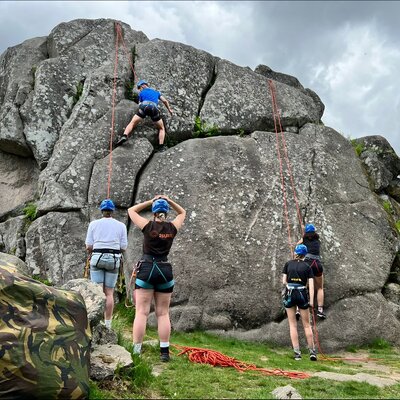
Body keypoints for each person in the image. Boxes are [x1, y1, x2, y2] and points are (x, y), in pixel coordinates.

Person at [128, 195, 186, 362]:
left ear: (153, 212)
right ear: (166, 212)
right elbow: (182, 212)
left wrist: (151, 201)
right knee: (163, 313)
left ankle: (136, 351)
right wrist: (169, 201)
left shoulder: (147, 226)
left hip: (147, 269)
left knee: (141, 312)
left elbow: (131, 210)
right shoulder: (172, 227)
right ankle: (164, 352)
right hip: (164, 269)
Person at [85, 199, 128, 329]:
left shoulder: (94, 224)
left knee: (98, 292)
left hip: (97, 258)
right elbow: (123, 247)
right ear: (113, 211)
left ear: (102, 211)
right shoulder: (121, 226)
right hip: (114, 260)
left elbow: (88, 246)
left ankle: (96, 323)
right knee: (109, 293)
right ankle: (108, 325)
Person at [116, 79, 173, 152]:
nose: (139, 90)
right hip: (154, 108)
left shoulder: (141, 93)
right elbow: (165, 101)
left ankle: (124, 136)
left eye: (139, 88)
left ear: (142, 86)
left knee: (132, 123)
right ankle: (161, 147)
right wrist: (169, 110)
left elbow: (140, 104)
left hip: (144, 106)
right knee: (161, 128)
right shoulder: (156, 92)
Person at [282, 244, 317, 361]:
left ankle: (297, 353)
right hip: (302, 293)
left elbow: (284, 281)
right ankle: (312, 352)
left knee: (292, 325)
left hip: (290, 293)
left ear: (295, 252)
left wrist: (290, 286)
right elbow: (311, 286)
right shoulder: (307, 267)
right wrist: (311, 301)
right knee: (307, 325)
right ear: (305, 254)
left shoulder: (288, 264)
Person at [297, 223, 326, 319]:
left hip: (307, 264)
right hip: (317, 264)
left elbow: (298, 244)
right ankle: (320, 310)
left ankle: (299, 308)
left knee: (302, 286)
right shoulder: (317, 240)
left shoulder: (304, 239)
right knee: (320, 288)